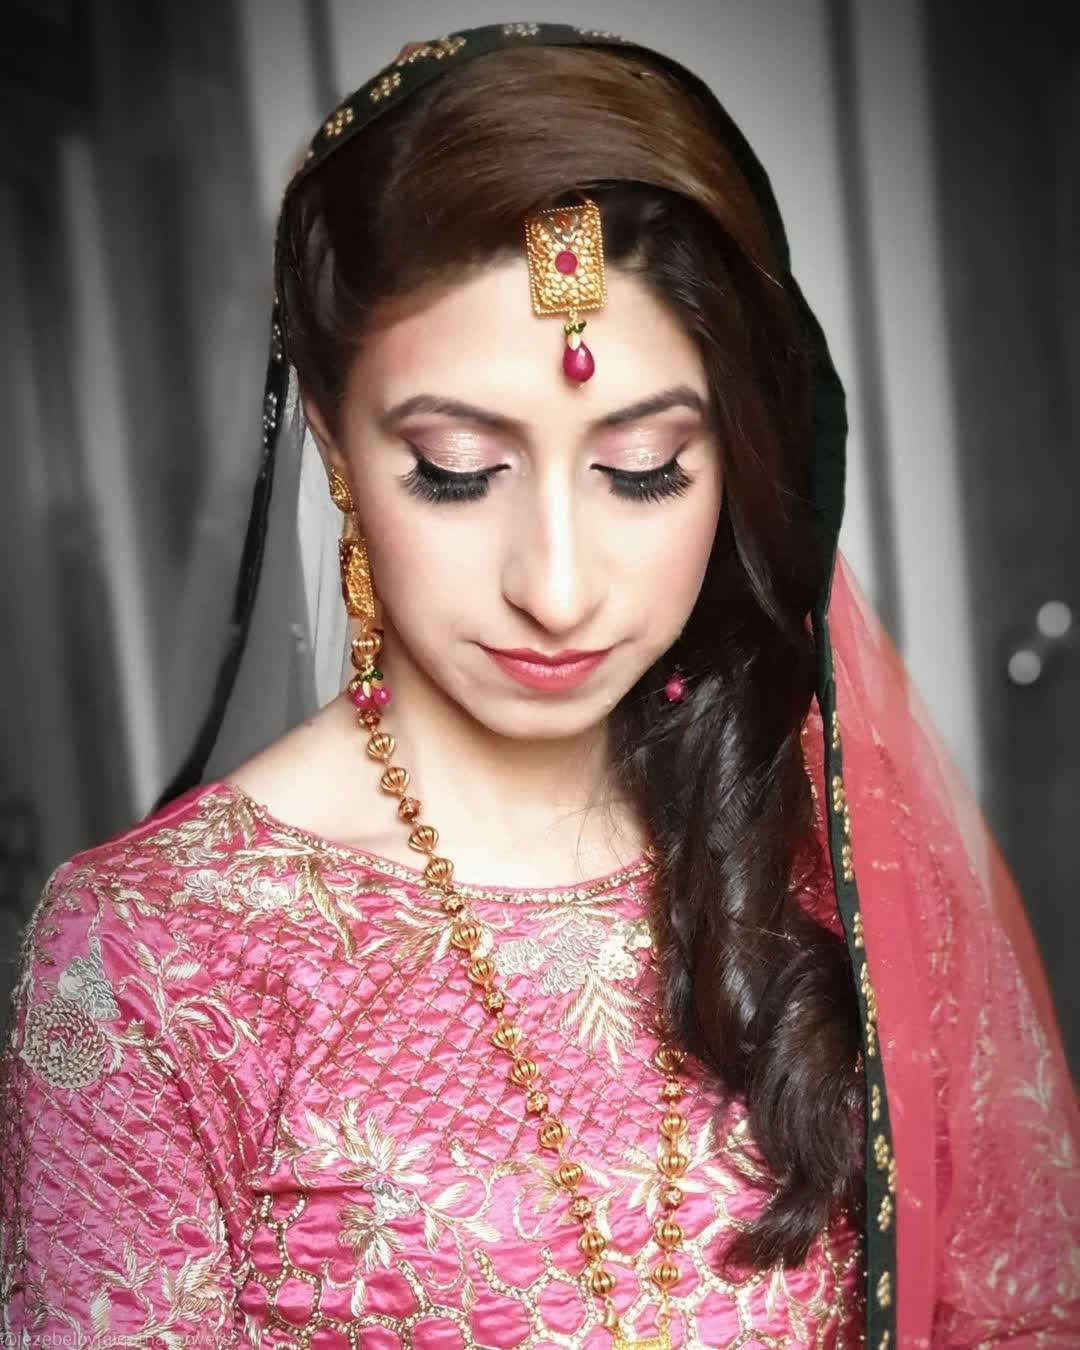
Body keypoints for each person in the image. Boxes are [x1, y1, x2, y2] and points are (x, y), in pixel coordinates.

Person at [0, 21, 1076, 1349]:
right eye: (456, 471)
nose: (558, 589)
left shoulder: (833, 853)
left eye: (643, 471)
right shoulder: (150, 955)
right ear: (334, 444)